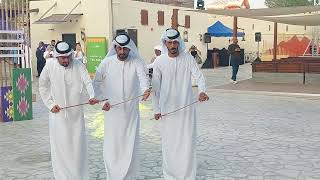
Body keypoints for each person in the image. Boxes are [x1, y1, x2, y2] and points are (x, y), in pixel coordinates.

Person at [152, 28, 209, 179]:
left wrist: (202, 91)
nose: (172, 45)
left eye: (175, 42)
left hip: (186, 110)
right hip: (167, 111)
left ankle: (187, 175)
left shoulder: (188, 58)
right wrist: (156, 109)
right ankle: (170, 175)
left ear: (179, 43)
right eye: (169, 42)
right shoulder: (159, 61)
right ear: (165, 43)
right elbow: (155, 89)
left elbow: (200, 77)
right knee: (169, 144)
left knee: (186, 143)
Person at [93, 34, 150, 180]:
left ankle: (130, 176)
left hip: (131, 112)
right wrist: (101, 101)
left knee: (130, 143)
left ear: (130, 49)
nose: (122, 52)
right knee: (113, 144)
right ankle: (113, 174)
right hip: (112, 111)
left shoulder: (137, 62)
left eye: (125, 49)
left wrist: (145, 90)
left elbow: (143, 78)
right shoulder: (107, 63)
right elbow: (95, 83)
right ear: (115, 48)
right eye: (120, 48)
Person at [39, 41, 99, 180]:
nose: (66, 60)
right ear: (57, 57)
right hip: (57, 115)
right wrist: (50, 104)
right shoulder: (49, 66)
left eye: (68, 57)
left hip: (76, 116)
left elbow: (87, 82)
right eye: (63, 58)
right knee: (61, 148)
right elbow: (43, 86)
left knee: (77, 148)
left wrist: (92, 96)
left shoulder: (78, 65)